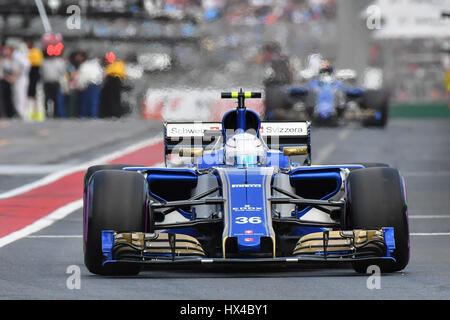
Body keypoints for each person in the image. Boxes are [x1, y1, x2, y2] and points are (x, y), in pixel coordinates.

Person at [40, 51, 67, 117]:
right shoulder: (44, 62)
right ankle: (46, 113)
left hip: (55, 82)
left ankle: (55, 113)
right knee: (47, 98)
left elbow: (62, 72)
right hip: (47, 82)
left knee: (55, 99)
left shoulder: (59, 62)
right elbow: (41, 72)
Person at [0, 44, 21, 118]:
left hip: (11, 81)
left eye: (8, 50)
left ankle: (11, 113)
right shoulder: (3, 60)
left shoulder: (14, 60)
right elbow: (2, 72)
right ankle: (4, 113)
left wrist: (13, 78)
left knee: (11, 97)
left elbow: (16, 71)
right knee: (3, 98)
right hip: (3, 81)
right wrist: (7, 78)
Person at [26, 39, 44, 121]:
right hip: (31, 76)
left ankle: (38, 114)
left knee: (37, 96)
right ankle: (31, 113)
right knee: (31, 96)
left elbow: (37, 63)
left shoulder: (35, 52)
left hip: (35, 76)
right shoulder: (30, 52)